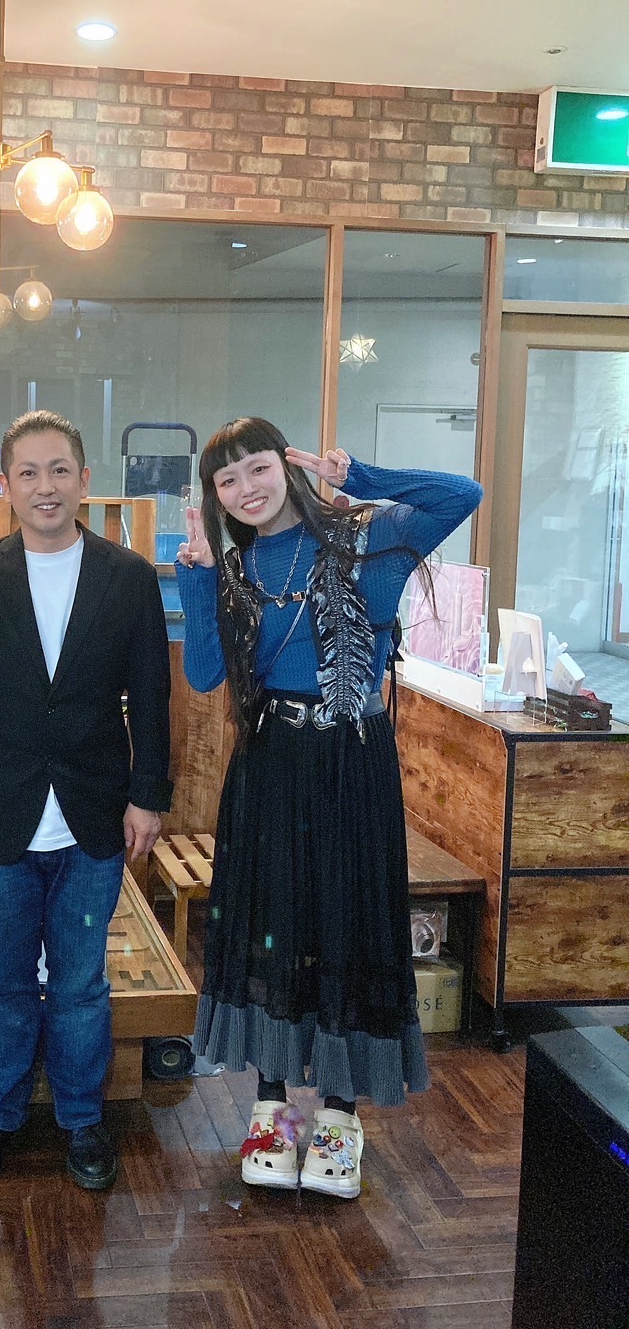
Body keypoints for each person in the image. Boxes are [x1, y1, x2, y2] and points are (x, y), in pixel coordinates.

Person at [175, 418, 483, 1200]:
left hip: (352, 761)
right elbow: (206, 676)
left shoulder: (367, 540)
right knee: (273, 922)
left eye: (258, 467)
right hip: (271, 763)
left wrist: (361, 475)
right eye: (226, 480)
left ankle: (341, 1116)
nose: (246, 488)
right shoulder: (234, 568)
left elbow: (462, 493)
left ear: (287, 465)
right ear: (215, 497)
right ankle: (274, 1108)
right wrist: (198, 575)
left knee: (349, 921)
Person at [0, 409, 172, 1192]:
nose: (45, 485)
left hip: (93, 816)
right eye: (28, 472)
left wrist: (149, 796)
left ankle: (82, 1120)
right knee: (2, 983)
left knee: (82, 985)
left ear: (84, 479)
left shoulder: (128, 575)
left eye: (59, 469)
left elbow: (152, 697)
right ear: (5, 486)